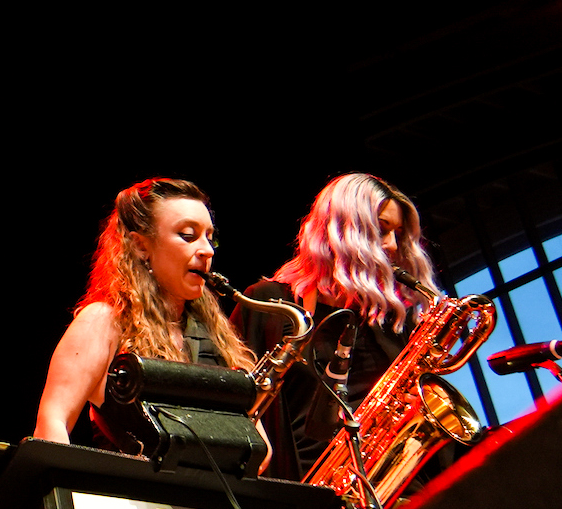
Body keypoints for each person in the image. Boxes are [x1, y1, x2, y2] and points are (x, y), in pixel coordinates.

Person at [233, 173, 440, 476]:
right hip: (303, 489)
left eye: (398, 233)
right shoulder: (269, 303)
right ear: (344, 229)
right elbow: (236, 399)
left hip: (389, 483)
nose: (393, 245)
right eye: (382, 229)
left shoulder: (392, 320)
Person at [33, 176, 253, 445]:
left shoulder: (216, 337)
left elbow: (261, 450)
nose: (207, 250)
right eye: (188, 235)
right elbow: (52, 421)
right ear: (140, 246)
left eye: (210, 238)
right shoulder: (103, 321)